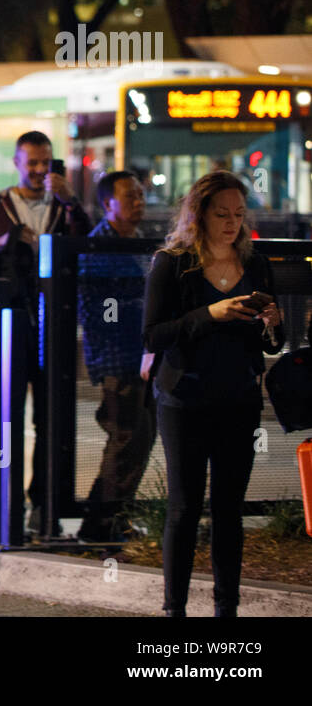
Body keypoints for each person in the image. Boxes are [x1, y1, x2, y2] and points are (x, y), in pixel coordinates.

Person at [142, 171, 284, 617]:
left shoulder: (255, 264)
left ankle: (227, 608)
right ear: (199, 213)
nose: (231, 223)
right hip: (185, 398)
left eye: (239, 214)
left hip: (239, 398)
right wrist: (210, 313)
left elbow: (272, 345)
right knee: (184, 508)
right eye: (222, 213)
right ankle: (174, 609)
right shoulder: (172, 262)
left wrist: (272, 325)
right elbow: (152, 336)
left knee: (229, 509)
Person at [0, 130, 92, 535]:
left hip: (54, 325)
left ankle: (44, 508)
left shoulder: (64, 207)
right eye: (31, 162)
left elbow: (89, 246)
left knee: (53, 419)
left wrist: (71, 202)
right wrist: (3, 242)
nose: (38, 171)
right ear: (16, 162)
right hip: (7, 328)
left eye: (45, 162)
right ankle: (4, 508)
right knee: (7, 417)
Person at [76, 172, 156, 542]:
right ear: (108, 204)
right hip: (116, 359)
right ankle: (100, 525)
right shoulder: (99, 248)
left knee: (138, 439)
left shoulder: (139, 242)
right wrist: (145, 309)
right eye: (130, 197)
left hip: (144, 358)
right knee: (126, 437)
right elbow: (96, 311)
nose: (139, 202)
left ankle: (110, 521)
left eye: (141, 195)